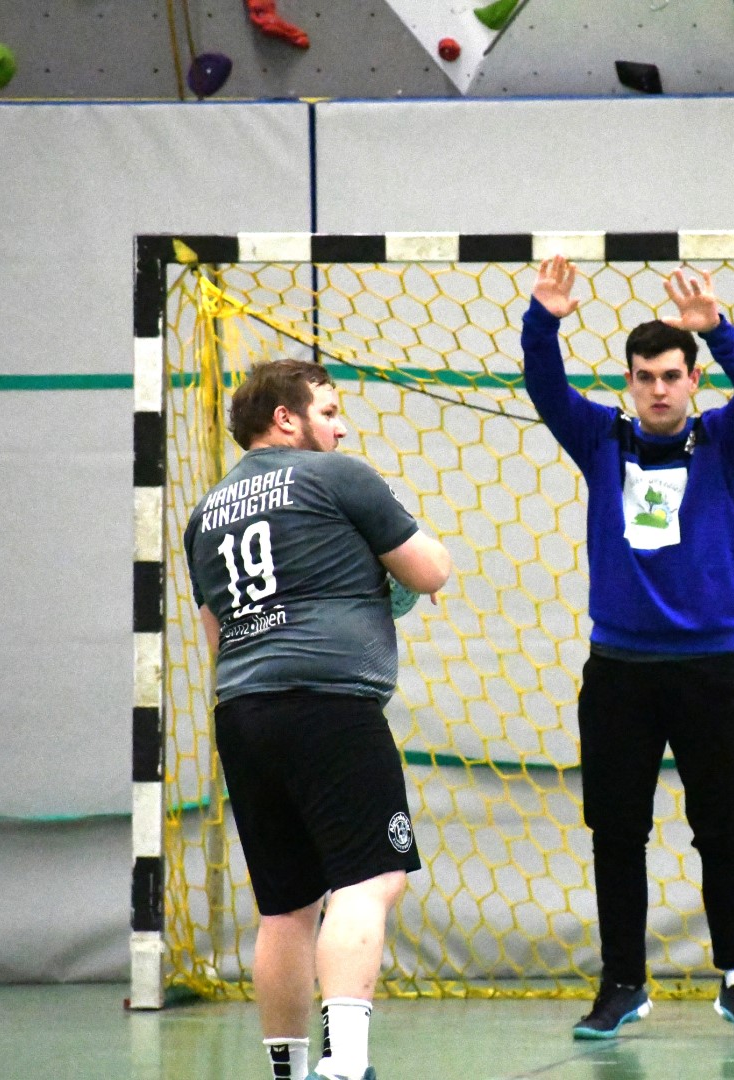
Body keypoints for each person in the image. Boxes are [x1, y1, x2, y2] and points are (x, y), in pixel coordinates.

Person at [521, 256, 734, 1040]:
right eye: (645, 377)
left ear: (693, 380)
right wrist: (543, 320)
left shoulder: (723, 440)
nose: (658, 389)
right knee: (617, 834)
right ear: (628, 382)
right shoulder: (600, 439)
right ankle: (623, 984)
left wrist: (718, 330)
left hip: (710, 671)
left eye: (672, 375)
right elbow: (544, 387)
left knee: (725, 831)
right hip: (620, 674)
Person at [184, 359, 451, 1080]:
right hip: (330, 707)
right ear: (285, 418)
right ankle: (346, 1065)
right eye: (328, 412)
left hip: (244, 714)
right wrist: (404, 565)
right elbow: (429, 571)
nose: (341, 428)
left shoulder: (204, 515)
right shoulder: (339, 477)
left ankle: (289, 1072)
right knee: (371, 880)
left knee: (286, 907)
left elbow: (217, 636)